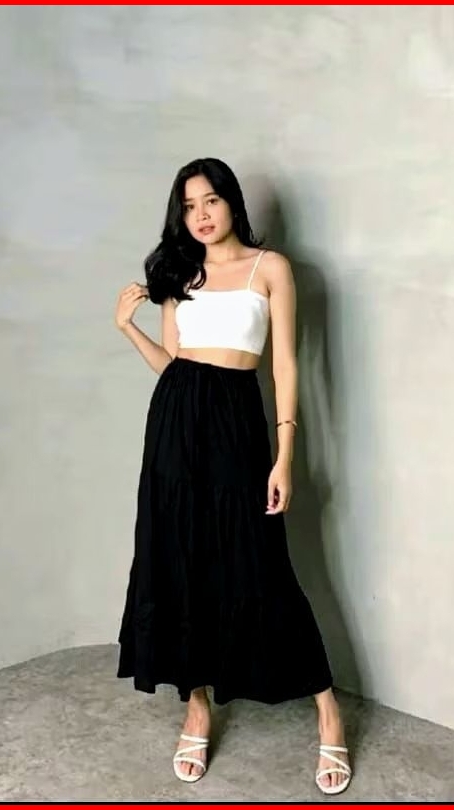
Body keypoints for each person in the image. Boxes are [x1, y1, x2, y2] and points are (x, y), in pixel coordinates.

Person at [113, 157, 352, 795]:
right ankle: (196, 706)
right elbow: (173, 365)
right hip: (174, 425)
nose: (201, 215)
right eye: (189, 206)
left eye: (211, 201)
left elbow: (286, 367)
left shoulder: (270, 268)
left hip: (237, 422)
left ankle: (328, 710)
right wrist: (127, 330)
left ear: (232, 203)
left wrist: (285, 454)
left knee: (260, 562)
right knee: (180, 560)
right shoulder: (179, 275)